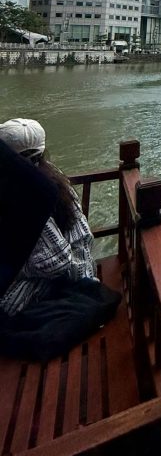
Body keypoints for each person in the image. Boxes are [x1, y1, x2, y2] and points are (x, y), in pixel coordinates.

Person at [0, 118, 95, 316]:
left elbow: (57, 262)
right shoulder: (55, 177)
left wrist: (18, 267)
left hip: (68, 284)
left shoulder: (27, 193)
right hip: (84, 273)